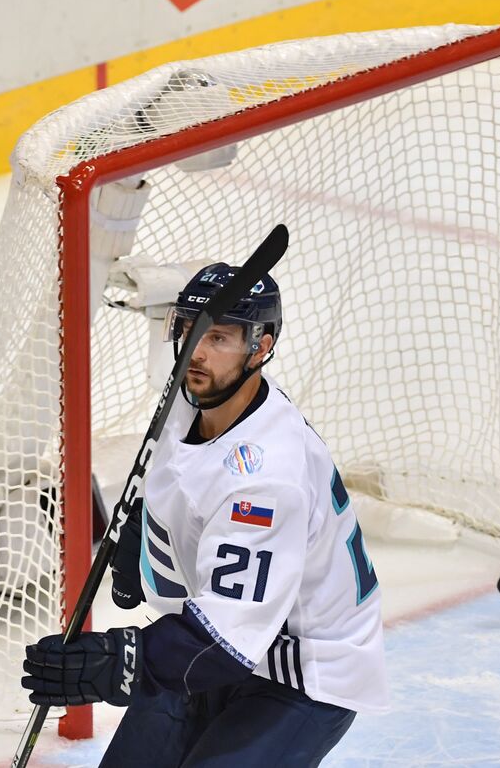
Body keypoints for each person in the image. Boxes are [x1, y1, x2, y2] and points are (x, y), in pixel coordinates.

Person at [21, 264, 386, 767]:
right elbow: (181, 477)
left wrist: (114, 662)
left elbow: (225, 640)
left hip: (299, 671)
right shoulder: (191, 396)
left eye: (218, 337)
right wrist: (143, 539)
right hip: (215, 638)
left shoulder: (265, 480)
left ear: (261, 347)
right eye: (191, 327)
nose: (196, 351)